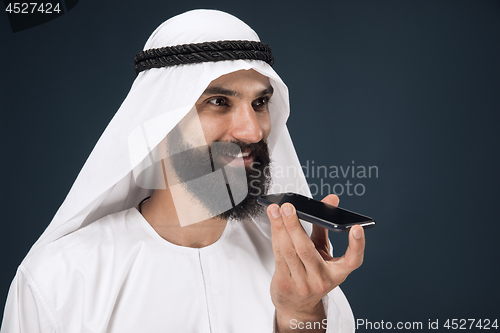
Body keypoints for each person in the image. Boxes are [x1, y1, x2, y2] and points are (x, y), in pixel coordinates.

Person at [1, 9, 365, 333]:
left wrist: (300, 313)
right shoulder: (61, 279)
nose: (252, 131)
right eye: (218, 102)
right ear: (157, 120)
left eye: (260, 103)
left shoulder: (299, 273)